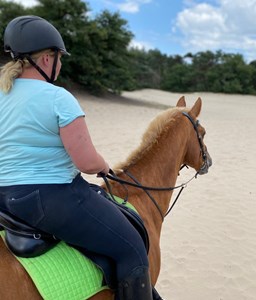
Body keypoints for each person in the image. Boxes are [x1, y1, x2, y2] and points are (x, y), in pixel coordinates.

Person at [0, 15, 152, 300]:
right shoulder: (58, 98)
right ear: (46, 59)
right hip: (49, 200)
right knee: (131, 247)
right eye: (59, 57)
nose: (60, 64)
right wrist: (104, 165)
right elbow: (86, 162)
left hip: (4, 198)